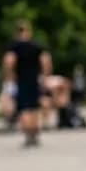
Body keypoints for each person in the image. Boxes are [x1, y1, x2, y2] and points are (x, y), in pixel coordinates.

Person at [3, 20, 52, 148]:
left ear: (16, 32)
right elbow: (45, 60)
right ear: (28, 31)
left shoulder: (14, 47)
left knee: (24, 108)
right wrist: (44, 76)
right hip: (34, 79)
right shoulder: (36, 45)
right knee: (34, 107)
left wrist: (9, 76)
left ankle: (28, 135)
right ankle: (34, 133)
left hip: (21, 80)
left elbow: (9, 61)